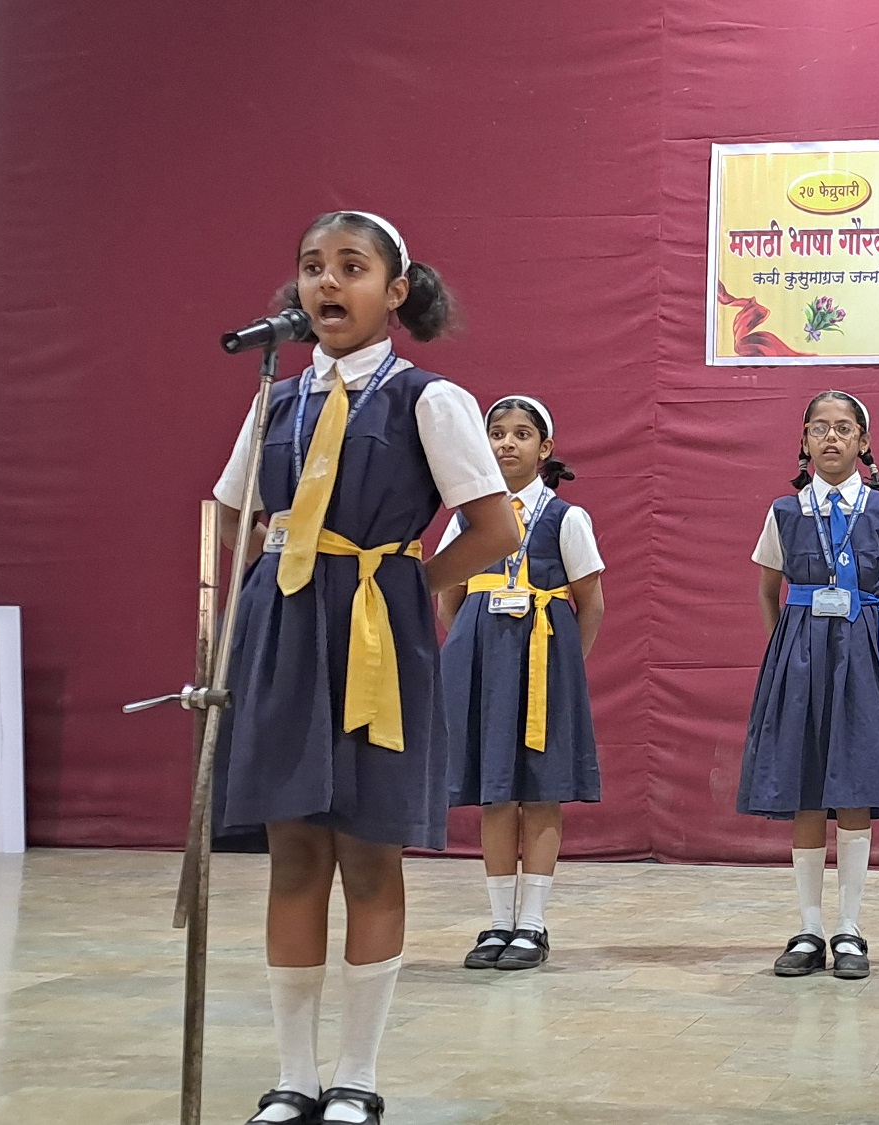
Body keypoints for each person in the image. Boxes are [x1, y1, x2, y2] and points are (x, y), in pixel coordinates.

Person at [211, 211, 518, 1124]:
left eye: (352, 266)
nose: (327, 283)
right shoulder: (276, 397)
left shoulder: (428, 399)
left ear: (396, 291)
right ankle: (292, 1075)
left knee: (369, 850)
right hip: (285, 631)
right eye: (312, 267)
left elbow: (495, 528)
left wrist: (406, 581)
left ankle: (356, 1075)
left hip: (377, 634)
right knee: (293, 850)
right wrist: (264, 582)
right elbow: (229, 510)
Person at [739, 391, 879, 980]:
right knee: (806, 790)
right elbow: (768, 592)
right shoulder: (784, 512)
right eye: (819, 428)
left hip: (864, 662)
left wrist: (878, 644)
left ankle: (849, 927)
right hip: (800, 661)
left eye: (843, 428)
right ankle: (808, 928)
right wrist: (790, 649)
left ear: (862, 442)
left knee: (853, 789)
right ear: (803, 439)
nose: (831, 438)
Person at [438, 395, 605, 972]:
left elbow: (591, 603)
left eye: (521, 434)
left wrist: (565, 666)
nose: (507, 443)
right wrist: (473, 649)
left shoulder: (566, 518)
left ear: (545, 448)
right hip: (485, 668)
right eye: (497, 434)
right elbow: (449, 597)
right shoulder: (467, 519)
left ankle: (532, 922)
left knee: (540, 790)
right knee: (496, 792)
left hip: (544, 667)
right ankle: (498, 920)